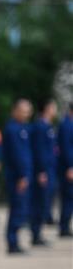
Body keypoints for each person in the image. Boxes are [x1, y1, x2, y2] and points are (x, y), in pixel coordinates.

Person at [3, 98, 35, 254]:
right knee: (17, 208)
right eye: (23, 110)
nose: (27, 113)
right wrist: (22, 175)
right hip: (17, 176)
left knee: (21, 208)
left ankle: (15, 240)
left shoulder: (24, 128)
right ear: (15, 110)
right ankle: (12, 242)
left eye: (28, 110)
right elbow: (17, 155)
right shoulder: (13, 129)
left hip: (24, 174)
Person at [30, 99, 58, 245]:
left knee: (45, 202)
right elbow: (40, 151)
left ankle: (38, 232)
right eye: (53, 106)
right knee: (39, 202)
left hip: (50, 168)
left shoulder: (48, 126)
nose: (55, 109)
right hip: (44, 170)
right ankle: (35, 233)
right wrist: (41, 171)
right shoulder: (40, 127)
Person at [59, 102, 73, 238]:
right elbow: (66, 148)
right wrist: (70, 166)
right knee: (68, 197)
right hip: (68, 168)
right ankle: (64, 226)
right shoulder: (67, 125)